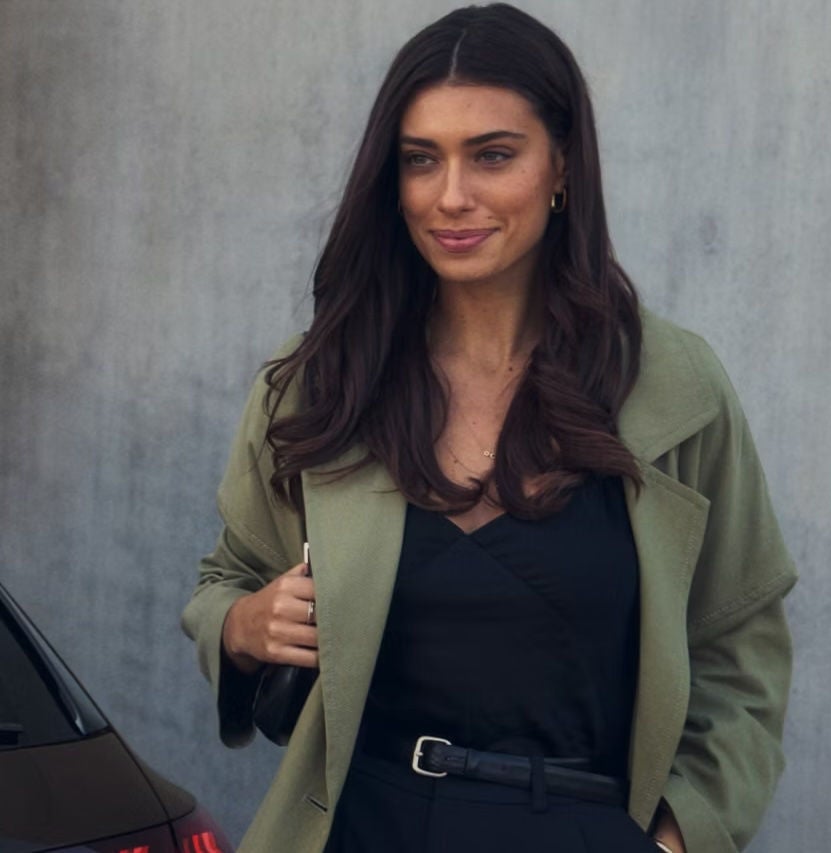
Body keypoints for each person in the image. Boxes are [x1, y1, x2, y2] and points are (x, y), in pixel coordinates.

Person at [181, 5, 797, 852]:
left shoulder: (675, 387)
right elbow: (228, 577)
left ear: (563, 167)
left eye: (493, 155)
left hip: (580, 828)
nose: (452, 196)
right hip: (365, 826)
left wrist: (680, 833)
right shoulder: (323, 381)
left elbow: (739, 647)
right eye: (420, 160)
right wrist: (242, 626)